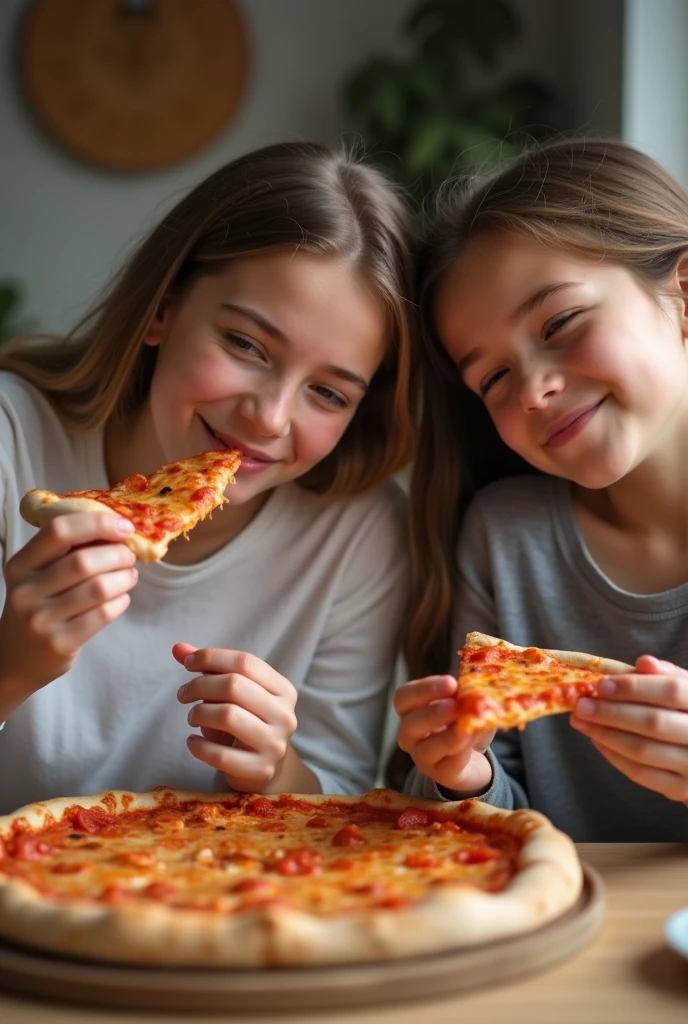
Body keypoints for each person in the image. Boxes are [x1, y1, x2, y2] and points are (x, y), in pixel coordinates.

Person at [0, 142, 417, 814]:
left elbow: (345, 807)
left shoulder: (359, 531)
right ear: (164, 306)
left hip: (213, 902)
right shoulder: (9, 439)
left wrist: (278, 771)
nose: (268, 417)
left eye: (329, 393)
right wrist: (10, 669)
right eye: (247, 345)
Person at [393, 137, 688, 841]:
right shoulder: (506, 537)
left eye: (560, 323)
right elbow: (481, 812)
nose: (534, 390)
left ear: (683, 297)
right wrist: (460, 775)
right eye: (491, 377)